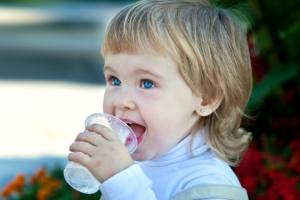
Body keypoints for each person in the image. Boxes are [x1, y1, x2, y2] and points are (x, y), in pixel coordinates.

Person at [68, 0, 253, 199]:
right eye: (115, 80)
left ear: (206, 98)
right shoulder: (134, 163)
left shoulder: (211, 186)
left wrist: (122, 182)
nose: (121, 101)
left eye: (147, 83)